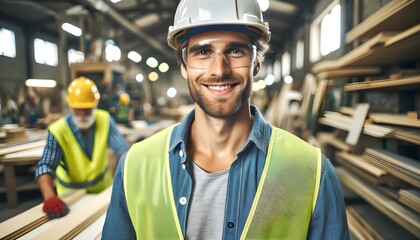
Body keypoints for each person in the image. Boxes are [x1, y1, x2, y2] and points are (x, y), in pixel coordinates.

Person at [102, 0, 349, 239]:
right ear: (184, 65)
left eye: (235, 50)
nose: (219, 70)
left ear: (256, 63)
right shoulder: (135, 166)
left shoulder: (312, 172)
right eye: (202, 51)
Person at [35, 77, 129, 219]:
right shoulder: (58, 131)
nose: (83, 114)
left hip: (102, 193)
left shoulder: (104, 119)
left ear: (95, 106)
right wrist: (49, 197)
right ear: (71, 107)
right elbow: (45, 167)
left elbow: (123, 151)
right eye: (79, 110)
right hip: (71, 197)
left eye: (88, 109)